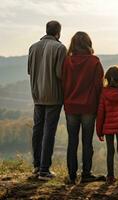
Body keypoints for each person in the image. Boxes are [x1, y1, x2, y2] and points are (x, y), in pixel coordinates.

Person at [62, 31, 104, 184]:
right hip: (89, 107)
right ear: (88, 43)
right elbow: (99, 86)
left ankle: (72, 176)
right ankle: (86, 174)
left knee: (72, 142)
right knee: (87, 142)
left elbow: (63, 83)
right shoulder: (94, 62)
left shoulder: (67, 62)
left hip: (71, 106)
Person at [28, 20, 67, 180]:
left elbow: (30, 71)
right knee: (49, 131)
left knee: (37, 130)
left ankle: (37, 166)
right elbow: (60, 73)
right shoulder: (60, 48)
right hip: (54, 96)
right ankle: (45, 170)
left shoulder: (33, 47)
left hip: (37, 94)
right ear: (58, 32)